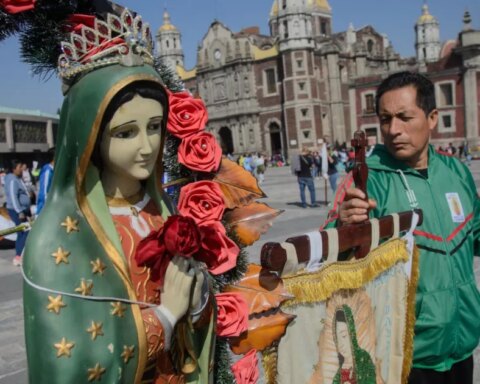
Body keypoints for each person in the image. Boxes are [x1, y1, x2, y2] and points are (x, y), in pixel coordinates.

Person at [22, 12, 213, 384]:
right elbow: (73, 362)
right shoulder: (60, 236)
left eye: (155, 127)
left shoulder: (160, 208)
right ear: (89, 133)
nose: (146, 147)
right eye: (126, 133)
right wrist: (166, 316)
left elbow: (192, 316)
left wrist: (198, 296)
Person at [328, 71, 480, 384]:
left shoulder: (456, 172)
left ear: (432, 117)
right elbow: (332, 263)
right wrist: (344, 226)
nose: (393, 130)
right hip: (405, 356)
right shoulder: (367, 181)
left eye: (404, 117)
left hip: (462, 343)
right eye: (385, 119)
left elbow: (475, 237)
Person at [5, 159, 31, 266]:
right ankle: (18, 256)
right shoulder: (12, 180)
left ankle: (22, 254)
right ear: (14, 168)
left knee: (25, 231)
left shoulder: (17, 178)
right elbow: (13, 197)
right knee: (23, 232)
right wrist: (20, 212)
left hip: (22, 210)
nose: (22, 169)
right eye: (20, 167)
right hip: (17, 211)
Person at [35, 147, 55, 216]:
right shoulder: (47, 171)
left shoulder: (53, 171)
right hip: (44, 211)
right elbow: (44, 193)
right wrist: (49, 209)